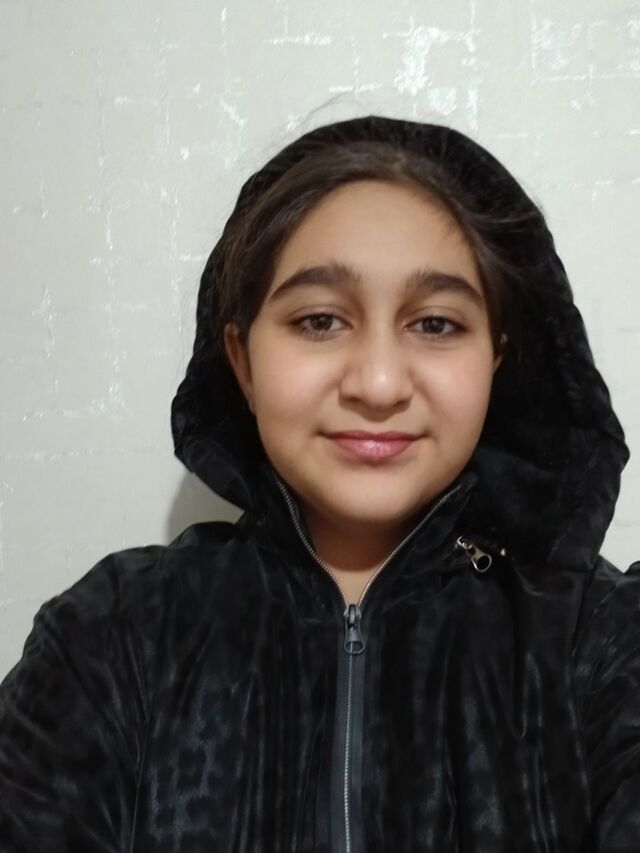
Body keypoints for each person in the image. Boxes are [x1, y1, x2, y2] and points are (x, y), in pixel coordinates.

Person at [0, 114, 638, 852]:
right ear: (242, 360)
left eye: (435, 324)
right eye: (320, 321)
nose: (378, 383)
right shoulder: (112, 639)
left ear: (496, 357)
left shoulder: (597, 638)